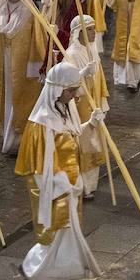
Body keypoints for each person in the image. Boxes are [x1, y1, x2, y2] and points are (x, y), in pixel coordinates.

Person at [17, 62, 105, 280]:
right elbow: (40, 165)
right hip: (55, 191)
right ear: (57, 90)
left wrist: (92, 125)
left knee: (58, 239)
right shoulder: (42, 122)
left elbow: (72, 140)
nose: (75, 95)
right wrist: (63, 185)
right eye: (71, 90)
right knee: (63, 238)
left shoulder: (62, 111)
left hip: (70, 187)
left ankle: (32, 269)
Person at [0, 0, 39, 155]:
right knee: (5, 98)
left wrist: (35, 66)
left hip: (22, 65)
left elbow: (37, 41)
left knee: (18, 100)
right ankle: (7, 138)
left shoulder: (30, 14)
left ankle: (16, 140)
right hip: (3, 63)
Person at [60, 14, 108, 200]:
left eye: (93, 28)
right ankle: (80, 186)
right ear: (78, 32)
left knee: (94, 144)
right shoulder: (71, 54)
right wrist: (82, 74)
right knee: (82, 145)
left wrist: (103, 102)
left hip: (93, 105)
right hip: (80, 108)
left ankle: (91, 185)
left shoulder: (92, 51)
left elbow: (100, 78)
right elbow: (66, 84)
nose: (93, 32)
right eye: (88, 29)